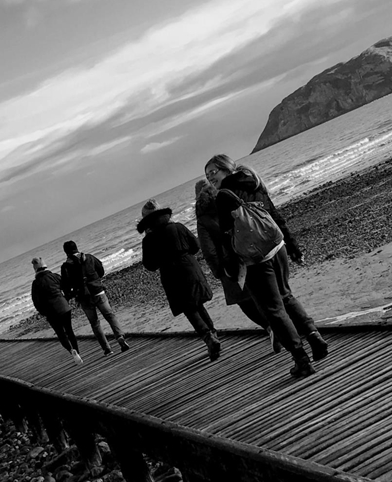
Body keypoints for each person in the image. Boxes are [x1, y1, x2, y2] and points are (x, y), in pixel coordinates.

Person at [205, 153, 328, 378]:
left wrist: (230, 268)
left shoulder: (223, 196)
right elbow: (274, 215)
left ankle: (302, 360)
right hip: (277, 246)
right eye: (207, 176)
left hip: (256, 258)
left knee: (273, 309)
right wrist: (292, 246)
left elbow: (226, 236)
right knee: (286, 296)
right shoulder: (255, 181)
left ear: (226, 168)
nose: (210, 178)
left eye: (213, 172)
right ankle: (314, 337)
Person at [137, 199, 221, 361]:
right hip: (189, 266)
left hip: (170, 273)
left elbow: (149, 265)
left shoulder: (149, 239)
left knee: (189, 308)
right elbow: (195, 246)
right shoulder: (178, 227)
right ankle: (213, 334)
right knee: (198, 303)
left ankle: (209, 338)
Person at [194, 180, 270, 331]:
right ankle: (278, 324)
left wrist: (217, 270)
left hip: (228, 263)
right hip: (248, 251)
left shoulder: (203, 218)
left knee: (243, 300)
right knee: (264, 292)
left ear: (197, 197)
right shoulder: (225, 199)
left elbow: (208, 249)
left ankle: (268, 327)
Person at [60, 240, 129, 355]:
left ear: (66, 252)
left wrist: (70, 294)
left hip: (83, 297)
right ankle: (120, 336)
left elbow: (65, 285)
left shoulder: (66, 266)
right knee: (110, 315)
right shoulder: (89, 258)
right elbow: (101, 270)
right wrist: (95, 280)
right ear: (77, 248)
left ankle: (106, 348)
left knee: (95, 323)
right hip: (97, 291)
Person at [31, 257, 83, 365]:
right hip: (63, 307)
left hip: (51, 312)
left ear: (35, 270)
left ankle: (71, 351)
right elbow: (66, 287)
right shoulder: (54, 276)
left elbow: (36, 302)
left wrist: (44, 312)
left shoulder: (36, 284)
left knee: (61, 334)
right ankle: (77, 352)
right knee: (69, 331)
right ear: (45, 266)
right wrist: (66, 299)